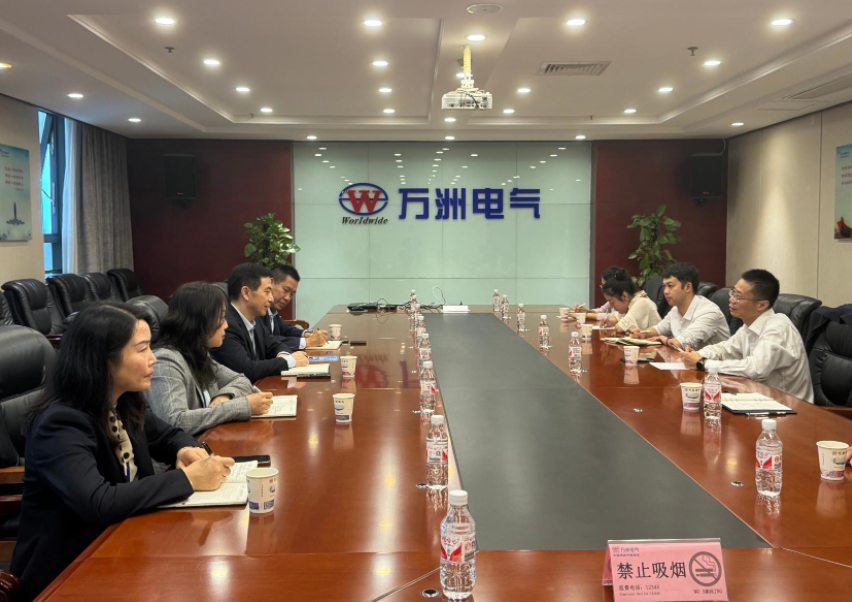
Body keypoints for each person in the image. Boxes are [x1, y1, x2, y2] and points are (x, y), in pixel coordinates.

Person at [10, 303, 235, 602]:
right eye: (142, 349)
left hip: (129, 542)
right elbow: (98, 501)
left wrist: (186, 449)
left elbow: (169, 435)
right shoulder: (61, 423)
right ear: (102, 359)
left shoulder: (123, 401)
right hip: (71, 571)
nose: (153, 358)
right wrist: (188, 479)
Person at [147, 282, 274, 436]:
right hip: (190, 449)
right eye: (221, 318)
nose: (226, 325)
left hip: (212, 438)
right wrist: (241, 406)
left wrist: (225, 396)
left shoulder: (196, 351)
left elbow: (240, 380)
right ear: (200, 321)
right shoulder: (166, 361)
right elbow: (175, 421)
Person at [680, 269, 814, 403]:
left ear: (761, 305)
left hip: (788, 407)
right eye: (733, 292)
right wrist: (697, 355)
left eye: (738, 296)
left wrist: (703, 363)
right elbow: (724, 350)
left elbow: (755, 369)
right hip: (759, 399)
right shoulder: (749, 326)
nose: (731, 299)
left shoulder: (777, 328)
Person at [210, 263, 308, 382]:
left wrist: (282, 355)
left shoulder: (256, 320)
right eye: (267, 291)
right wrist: (289, 361)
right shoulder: (225, 325)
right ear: (246, 293)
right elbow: (246, 370)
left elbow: (275, 345)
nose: (271, 298)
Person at [630, 262, 729, 350]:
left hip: (712, 365)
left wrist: (665, 340)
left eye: (670, 286)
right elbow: (658, 329)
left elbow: (681, 343)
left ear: (687, 287)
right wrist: (642, 333)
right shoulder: (676, 309)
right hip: (687, 361)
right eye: (664, 286)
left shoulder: (708, 312)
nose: (665, 291)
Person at [257, 263, 327, 349]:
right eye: (286, 290)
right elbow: (266, 340)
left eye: (292, 294)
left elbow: (286, 329)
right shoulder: (257, 309)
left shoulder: (272, 310)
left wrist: (307, 334)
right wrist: (307, 342)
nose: (287, 298)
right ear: (271, 283)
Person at [572, 266, 646, 321]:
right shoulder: (616, 297)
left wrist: (585, 315)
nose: (603, 288)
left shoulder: (636, 300)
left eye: (604, 285)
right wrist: (586, 311)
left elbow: (615, 316)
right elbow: (603, 310)